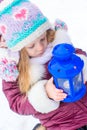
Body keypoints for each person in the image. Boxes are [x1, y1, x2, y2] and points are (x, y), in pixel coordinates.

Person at [0, 0, 87, 130]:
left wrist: (82, 68)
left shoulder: (57, 45)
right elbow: (16, 102)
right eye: (31, 46)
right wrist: (44, 93)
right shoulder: (13, 71)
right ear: (19, 49)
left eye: (42, 39)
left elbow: (78, 54)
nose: (40, 47)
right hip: (61, 124)